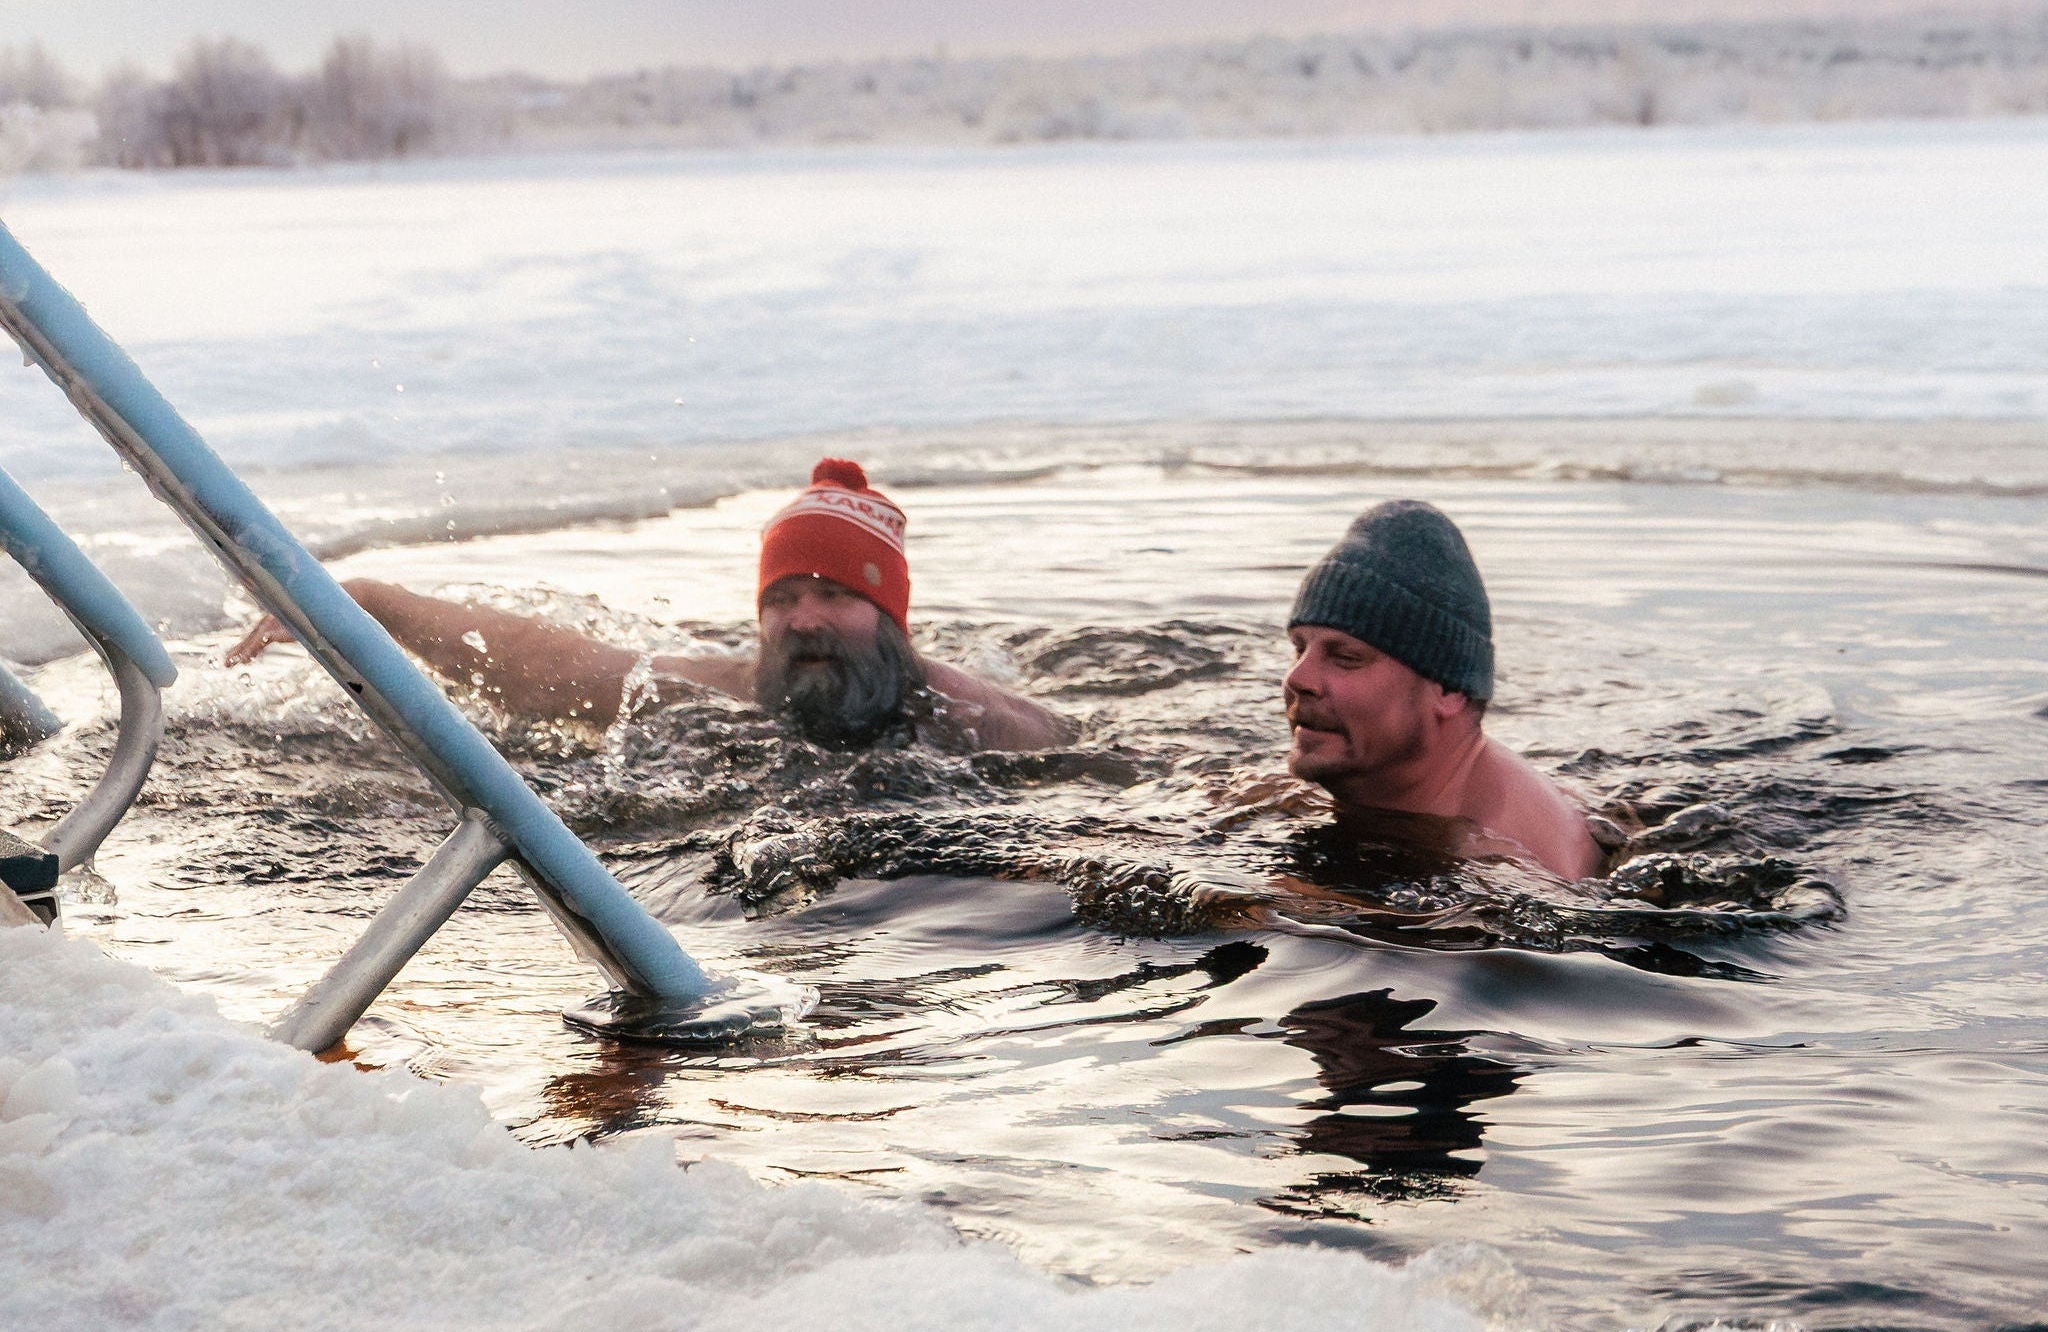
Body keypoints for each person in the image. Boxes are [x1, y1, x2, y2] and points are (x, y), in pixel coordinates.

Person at [227, 458, 1072, 754]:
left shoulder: (972, 716)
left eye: (834, 596)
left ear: (891, 618)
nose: (804, 620)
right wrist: (372, 603)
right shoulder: (726, 686)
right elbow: (543, 666)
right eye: (782, 598)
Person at [1282, 499, 1601, 881]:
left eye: (1346, 656)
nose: (1298, 678)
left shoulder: (1504, 864)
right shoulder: (1407, 785)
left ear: (1449, 689)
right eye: (1299, 648)